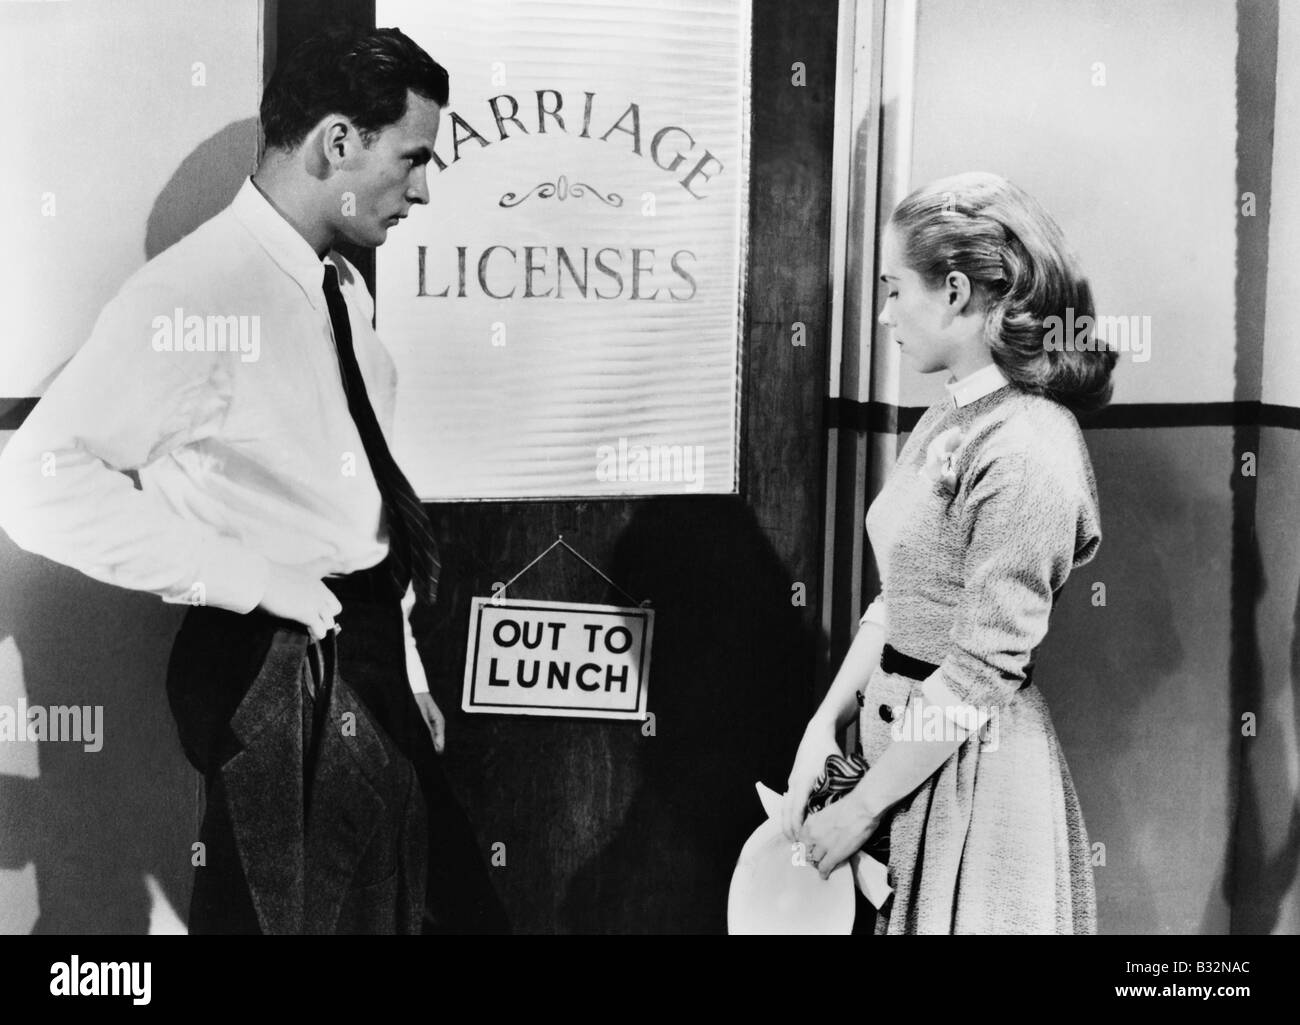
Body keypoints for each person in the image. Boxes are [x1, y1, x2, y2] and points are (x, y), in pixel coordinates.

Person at [0, 26, 506, 934]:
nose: (425, 190)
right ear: (338, 144)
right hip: (274, 668)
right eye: (414, 157)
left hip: (364, 652)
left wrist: (408, 665)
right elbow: (33, 481)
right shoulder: (193, 295)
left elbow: (362, 499)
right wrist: (258, 582)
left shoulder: (339, 288)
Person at [782, 172, 1114, 934]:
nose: (884, 312)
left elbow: (973, 677)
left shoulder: (1029, 448)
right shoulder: (954, 411)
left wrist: (863, 806)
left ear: (957, 292)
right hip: (900, 751)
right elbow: (900, 599)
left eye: (896, 289)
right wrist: (822, 726)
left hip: (971, 774)